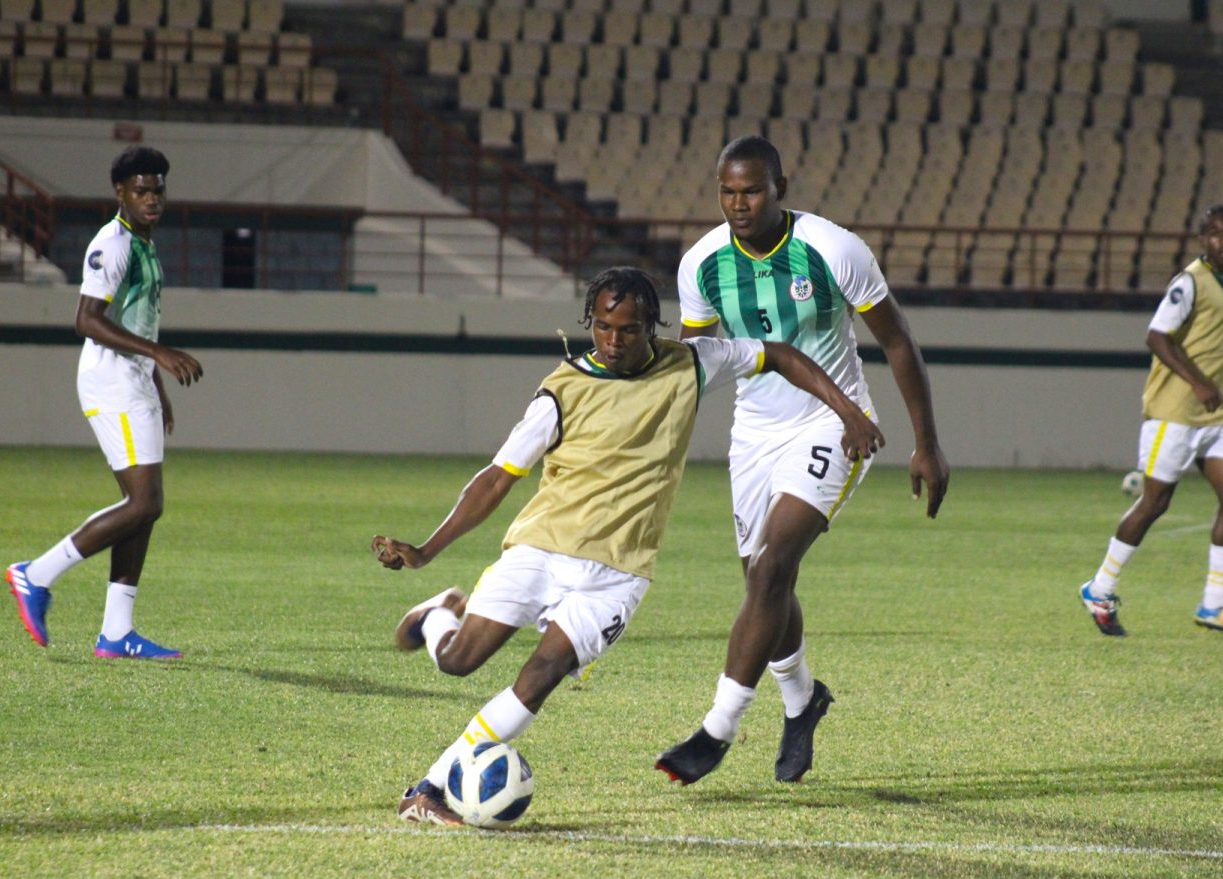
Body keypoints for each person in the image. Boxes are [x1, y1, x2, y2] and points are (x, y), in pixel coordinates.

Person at [375, 267, 882, 826]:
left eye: (628, 330)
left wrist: (848, 409)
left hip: (619, 572)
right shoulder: (561, 391)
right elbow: (497, 478)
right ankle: (436, 619)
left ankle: (430, 788)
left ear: (652, 327)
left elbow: (781, 354)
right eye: (602, 327)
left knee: (541, 675)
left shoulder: (689, 363)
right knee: (457, 662)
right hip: (540, 549)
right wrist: (425, 550)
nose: (613, 341)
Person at [656, 135, 949, 786]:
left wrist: (925, 442)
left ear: (780, 185)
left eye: (752, 190)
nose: (739, 203)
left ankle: (716, 729)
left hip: (835, 423)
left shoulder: (832, 248)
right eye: (728, 191)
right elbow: (697, 364)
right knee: (763, 582)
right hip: (754, 433)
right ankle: (802, 701)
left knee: (770, 569)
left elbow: (898, 341)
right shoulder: (701, 264)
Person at [5, 146, 205, 659]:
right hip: (111, 381)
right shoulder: (113, 244)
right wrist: (159, 355)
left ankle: (116, 632)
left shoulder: (143, 242)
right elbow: (86, 319)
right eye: (141, 190)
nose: (152, 198)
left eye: (158, 189)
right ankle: (36, 574)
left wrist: (156, 388)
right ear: (120, 192)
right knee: (144, 503)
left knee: (144, 510)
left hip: (132, 381)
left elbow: (137, 319)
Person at [1078, 204, 1223, 638]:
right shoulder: (1189, 283)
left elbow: (1219, 342)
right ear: (1202, 240)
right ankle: (1100, 588)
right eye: (1215, 233)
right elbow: (1157, 336)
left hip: (1213, 412)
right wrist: (1198, 384)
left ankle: (1215, 605)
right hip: (1173, 411)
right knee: (1155, 503)